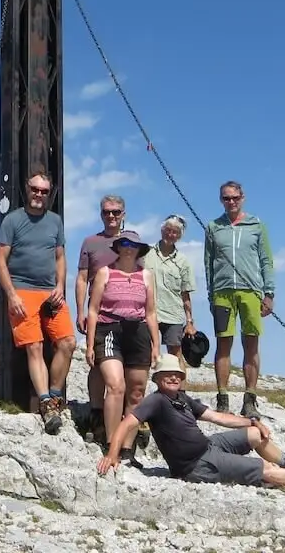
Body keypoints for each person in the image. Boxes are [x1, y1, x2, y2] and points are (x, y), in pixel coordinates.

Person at [97, 355, 285, 489]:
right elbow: (127, 423)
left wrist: (252, 420)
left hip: (209, 447)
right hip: (197, 466)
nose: (173, 378)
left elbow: (217, 417)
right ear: (158, 378)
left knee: (253, 434)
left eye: (177, 374)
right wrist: (112, 453)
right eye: (167, 374)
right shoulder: (157, 401)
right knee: (264, 469)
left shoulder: (182, 398)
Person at [0, 170, 76, 434]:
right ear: (26, 189)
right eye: (35, 189)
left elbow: (60, 257)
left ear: (49, 193)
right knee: (35, 346)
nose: (39, 195)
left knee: (68, 342)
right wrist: (12, 294)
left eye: (44, 191)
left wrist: (61, 285)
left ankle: (54, 395)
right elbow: (0, 262)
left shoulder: (55, 221)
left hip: (50, 291)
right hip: (22, 290)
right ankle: (45, 403)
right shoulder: (13, 220)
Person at [85, 230, 159, 460]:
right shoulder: (104, 273)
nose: (129, 248)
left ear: (139, 250)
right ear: (118, 246)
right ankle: (111, 444)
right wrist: (89, 345)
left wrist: (156, 344)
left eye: (134, 245)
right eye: (125, 243)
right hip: (109, 329)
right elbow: (94, 309)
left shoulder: (146, 275)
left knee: (136, 392)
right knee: (116, 386)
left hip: (138, 331)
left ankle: (127, 448)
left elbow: (151, 312)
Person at [205, 181, 276, 418]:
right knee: (223, 344)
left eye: (235, 197)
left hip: (251, 292)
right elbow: (208, 263)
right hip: (222, 293)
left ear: (243, 197)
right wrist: (211, 294)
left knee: (251, 344)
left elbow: (266, 260)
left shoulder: (256, 225)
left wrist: (269, 293)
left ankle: (250, 399)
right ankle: (222, 397)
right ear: (221, 200)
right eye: (226, 198)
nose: (231, 202)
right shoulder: (213, 227)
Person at [75, 194, 127, 444]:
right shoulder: (90, 242)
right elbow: (82, 278)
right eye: (107, 212)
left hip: (127, 316)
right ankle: (96, 413)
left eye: (116, 212)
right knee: (96, 364)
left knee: (125, 368)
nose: (111, 216)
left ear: (123, 214)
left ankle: (125, 418)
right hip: (99, 314)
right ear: (101, 214)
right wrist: (80, 312)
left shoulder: (133, 242)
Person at [144, 214, 197, 367]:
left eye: (175, 232)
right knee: (144, 353)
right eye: (168, 230)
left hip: (173, 315)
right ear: (162, 230)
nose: (170, 234)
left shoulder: (183, 261)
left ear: (179, 236)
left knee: (175, 356)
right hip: (147, 312)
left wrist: (189, 322)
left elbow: (185, 294)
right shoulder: (146, 253)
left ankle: (180, 391)